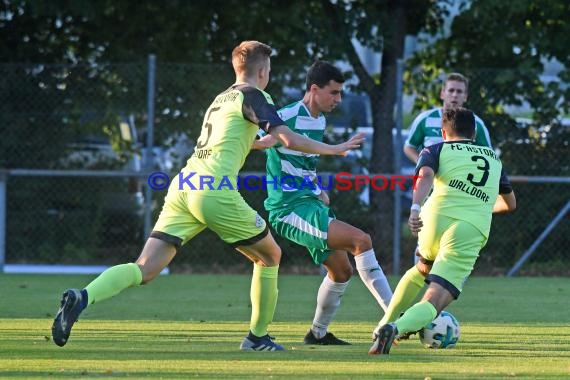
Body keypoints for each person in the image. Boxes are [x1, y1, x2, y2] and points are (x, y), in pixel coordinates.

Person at [51, 41, 365, 352]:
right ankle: (257, 338)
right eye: (268, 69)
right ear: (261, 70)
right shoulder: (254, 95)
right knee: (271, 255)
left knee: (144, 268)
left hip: (184, 184)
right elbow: (286, 137)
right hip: (213, 189)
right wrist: (334, 149)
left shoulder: (220, 99)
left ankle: (82, 296)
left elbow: (256, 140)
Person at [253, 61, 393, 345]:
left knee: (341, 271)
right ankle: (396, 317)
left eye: (340, 93)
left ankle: (317, 334)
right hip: (288, 209)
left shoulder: (318, 120)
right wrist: (266, 142)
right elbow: (256, 140)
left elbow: (303, 162)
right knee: (361, 240)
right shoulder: (288, 114)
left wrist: (317, 188)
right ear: (314, 90)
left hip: (310, 204)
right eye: (334, 93)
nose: (338, 99)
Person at [368, 107, 516, 355]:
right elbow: (510, 203)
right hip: (468, 229)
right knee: (435, 299)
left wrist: (415, 208)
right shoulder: (493, 158)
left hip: (433, 219)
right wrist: (479, 207)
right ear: (475, 131)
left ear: (443, 133)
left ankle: (383, 323)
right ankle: (395, 328)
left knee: (422, 268)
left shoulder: (436, 149)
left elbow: (425, 174)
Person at [404, 72, 492, 164]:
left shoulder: (476, 123)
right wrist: (422, 163)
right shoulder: (425, 119)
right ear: (442, 94)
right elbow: (409, 147)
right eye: (451, 90)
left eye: (459, 91)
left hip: (462, 176)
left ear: (465, 96)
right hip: (432, 176)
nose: (455, 95)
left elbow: (488, 154)